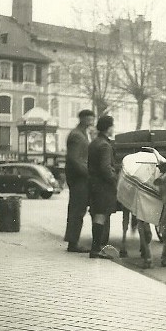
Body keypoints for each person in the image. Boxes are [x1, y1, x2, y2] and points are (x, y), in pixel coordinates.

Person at [63, 108, 95, 252]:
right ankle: (73, 243)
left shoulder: (82, 134)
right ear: (81, 119)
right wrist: (88, 174)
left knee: (78, 209)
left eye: (92, 118)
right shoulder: (77, 135)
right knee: (77, 210)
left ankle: (72, 240)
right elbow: (74, 159)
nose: (91, 121)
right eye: (88, 118)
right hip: (78, 178)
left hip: (79, 177)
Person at [88, 115, 118, 259]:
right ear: (108, 128)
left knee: (97, 215)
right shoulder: (105, 145)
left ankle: (96, 247)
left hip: (94, 185)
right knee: (100, 216)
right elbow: (106, 168)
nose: (114, 128)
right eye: (112, 126)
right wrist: (115, 179)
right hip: (103, 187)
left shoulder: (95, 142)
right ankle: (95, 249)